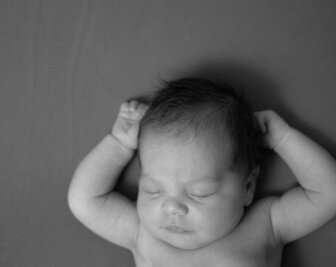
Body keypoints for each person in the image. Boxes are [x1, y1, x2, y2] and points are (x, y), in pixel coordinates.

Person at [68, 78, 336, 266]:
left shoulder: (265, 226)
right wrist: (119, 144)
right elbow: (85, 201)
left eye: (199, 193)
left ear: (247, 187)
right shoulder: (143, 234)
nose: (171, 207)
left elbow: (328, 193)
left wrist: (283, 139)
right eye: (152, 190)